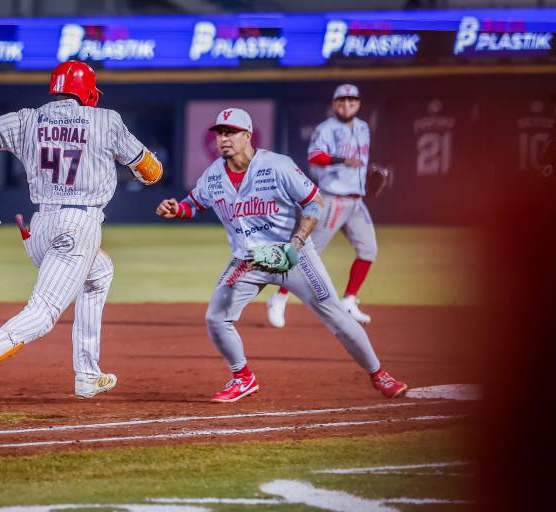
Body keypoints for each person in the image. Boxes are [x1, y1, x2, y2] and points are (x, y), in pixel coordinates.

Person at [155, 107, 406, 403]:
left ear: (248, 135)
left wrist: (298, 242)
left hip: (293, 254)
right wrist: (177, 210)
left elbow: (314, 203)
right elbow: (193, 204)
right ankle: (243, 378)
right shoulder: (212, 176)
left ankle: (380, 375)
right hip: (249, 260)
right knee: (217, 317)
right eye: (221, 133)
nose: (224, 138)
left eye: (231, 132)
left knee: (336, 315)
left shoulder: (277, 166)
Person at [0, 60, 163, 401]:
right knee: (44, 311)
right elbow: (150, 171)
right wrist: (149, 168)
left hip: (40, 228)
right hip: (78, 226)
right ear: (88, 91)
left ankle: (87, 374)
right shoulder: (106, 120)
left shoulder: (27, 118)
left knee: (99, 275)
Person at [267, 84, 377, 328]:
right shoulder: (326, 129)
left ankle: (349, 300)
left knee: (368, 250)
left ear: (358, 103)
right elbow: (314, 156)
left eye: (352, 100)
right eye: (342, 101)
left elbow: (359, 162)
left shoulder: (363, 128)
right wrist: (342, 160)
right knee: (305, 250)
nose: (347, 105)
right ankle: (279, 297)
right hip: (332, 200)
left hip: (356, 201)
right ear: (335, 103)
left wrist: (368, 173)